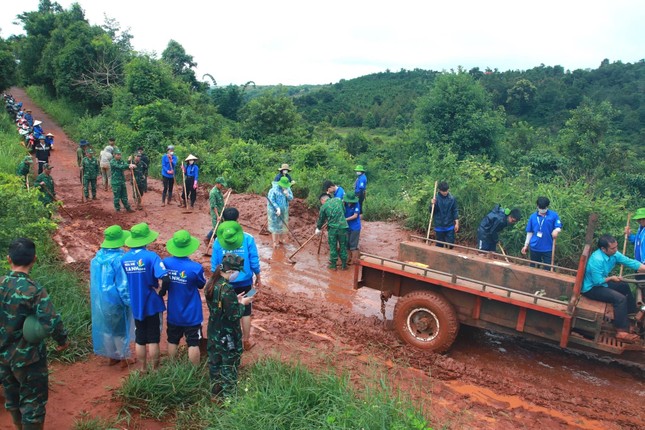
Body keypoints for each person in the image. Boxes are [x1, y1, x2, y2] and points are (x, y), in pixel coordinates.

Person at [0, 238, 68, 430]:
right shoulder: (34, 290)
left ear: (8, 259)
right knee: (32, 403)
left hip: (2, 357)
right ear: (34, 259)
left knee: (11, 397)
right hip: (28, 359)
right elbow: (52, 321)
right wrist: (62, 341)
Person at [205, 253, 255, 400]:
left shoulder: (211, 283)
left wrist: (235, 300)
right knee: (229, 366)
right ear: (231, 272)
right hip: (228, 336)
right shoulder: (227, 290)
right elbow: (233, 315)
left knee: (215, 363)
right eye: (237, 272)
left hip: (214, 331)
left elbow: (220, 307)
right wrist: (242, 304)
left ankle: (215, 394)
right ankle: (229, 398)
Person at [122, 223, 170, 372]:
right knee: (154, 338)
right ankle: (155, 369)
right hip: (152, 302)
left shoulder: (125, 259)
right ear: (146, 240)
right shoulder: (151, 257)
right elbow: (165, 277)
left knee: (140, 337)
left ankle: (142, 369)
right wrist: (162, 292)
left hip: (136, 303)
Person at [582, 234, 645, 344]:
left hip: (602, 283)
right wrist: (611, 278)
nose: (616, 250)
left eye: (616, 247)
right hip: (592, 287)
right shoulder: (597, 259)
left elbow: (630, 262)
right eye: (613, 248)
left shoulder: (614, 254)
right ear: (603, 249)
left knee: (624, 286)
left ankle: (631, 316)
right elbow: (597, 281)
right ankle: (621, 331)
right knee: (620, 299)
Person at [211, 221, 262, 351]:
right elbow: (254, 260)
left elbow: (215, 264)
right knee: (246, 311)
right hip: (246, 282)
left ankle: (227, 340)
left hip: (225, 283)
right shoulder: (248, 237)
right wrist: (258, 277)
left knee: (226, 310)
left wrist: (214, 280)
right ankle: (246, 341)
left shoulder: (218, 241)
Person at [90, 225, 134, 368]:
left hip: (101, 300)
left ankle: (111, 356)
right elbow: (123, 285)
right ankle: (123, 358)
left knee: (108, 328)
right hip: (116, 300)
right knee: (121, 329)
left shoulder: (97, 258)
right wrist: (129, 301)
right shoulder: (119, 260)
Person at [162, 230, 206, 366]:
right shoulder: (196, 268)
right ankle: (194, 371)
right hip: (192, 313)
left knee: (172, 340)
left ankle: (171, 366)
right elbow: (201, 285)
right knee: (193, 342)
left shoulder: (165, 263)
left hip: (173, 311)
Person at [521, 197, 562, 269]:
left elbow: (558, 226)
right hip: (535, 247)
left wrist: (556, 230)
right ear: (537, 206)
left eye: (544, 208)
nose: (542, 210)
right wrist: (526, 245)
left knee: (548, 268)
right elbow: (530, 232)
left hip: (548, 247)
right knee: (534, 268)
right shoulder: (533, 217)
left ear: (547, 206)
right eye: (541, 208)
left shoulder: (553, 215)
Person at [316, 193, 350, 270]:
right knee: (343, 246)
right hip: (343, 227)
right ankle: (344, 265)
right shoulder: (338, 200)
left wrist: (318, 228)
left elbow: (321, 220)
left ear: (322, 200)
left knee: (333, 246)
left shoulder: (323, 207)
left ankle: (333, 265)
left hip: (333, 229)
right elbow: (343, 212)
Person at [266, 176, 294, 248]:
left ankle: (281, 240)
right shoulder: (273, 190)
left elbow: (291, 198)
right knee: (275, 226)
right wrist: (277, 208)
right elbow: (271, 200)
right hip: (274, 211)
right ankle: (275, 242)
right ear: (280, 184)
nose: (285, 187)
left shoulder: (288, 189)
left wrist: (287, 194)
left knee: (282, 225)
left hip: (284, 211)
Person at [430, 181, 459, 248]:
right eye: (443, 191)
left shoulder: (452, 199)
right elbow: (432, 211)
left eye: (446, 191)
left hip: (449, 225)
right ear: (439, 190)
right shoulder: (436, 199)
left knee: (451, 244)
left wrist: (457, 223)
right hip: (439, 225)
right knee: (439, 245)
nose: (445, 192)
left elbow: (455, 210)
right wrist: (432, 204)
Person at [343, 192, 361, 265]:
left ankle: (354, 261)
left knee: (353, 245)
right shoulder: (344, 204)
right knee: (347, 244)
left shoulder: (357, 204)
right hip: (347, 227)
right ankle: (348, 259)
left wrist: (345, 219)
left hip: (355, 227)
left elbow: (355, 215)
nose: (350, 203)